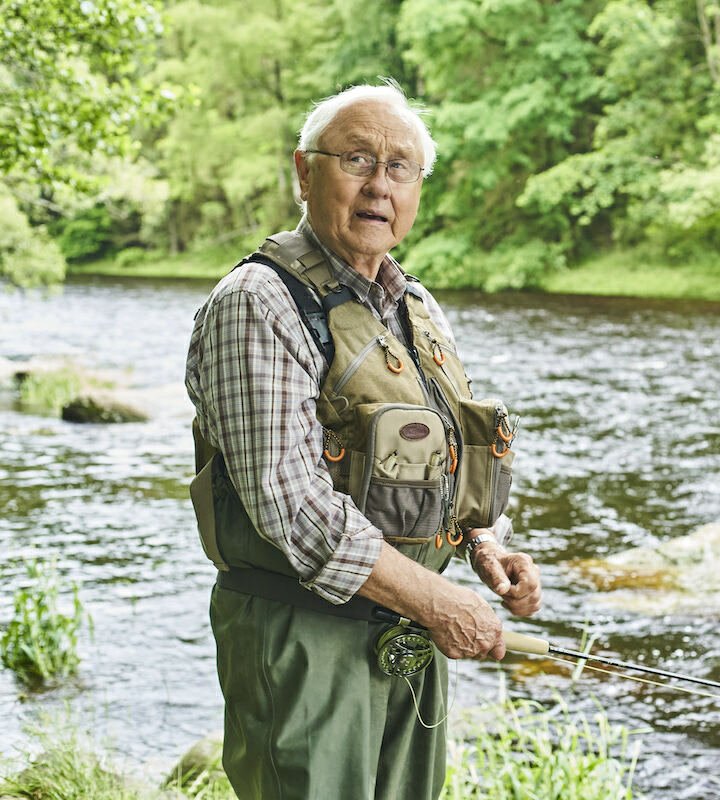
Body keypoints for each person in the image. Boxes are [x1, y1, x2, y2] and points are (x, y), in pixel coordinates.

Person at [184, 81, 542, 800]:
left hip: (407, 634)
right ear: (304, 171)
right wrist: (436, 602)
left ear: (417, 191)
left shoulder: (417, 305)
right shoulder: (257, 303)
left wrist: (485, 546)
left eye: (400, 167)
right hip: (301, 641)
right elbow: (292, 508)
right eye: (357, 159)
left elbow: (451, 457)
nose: (380, 184)